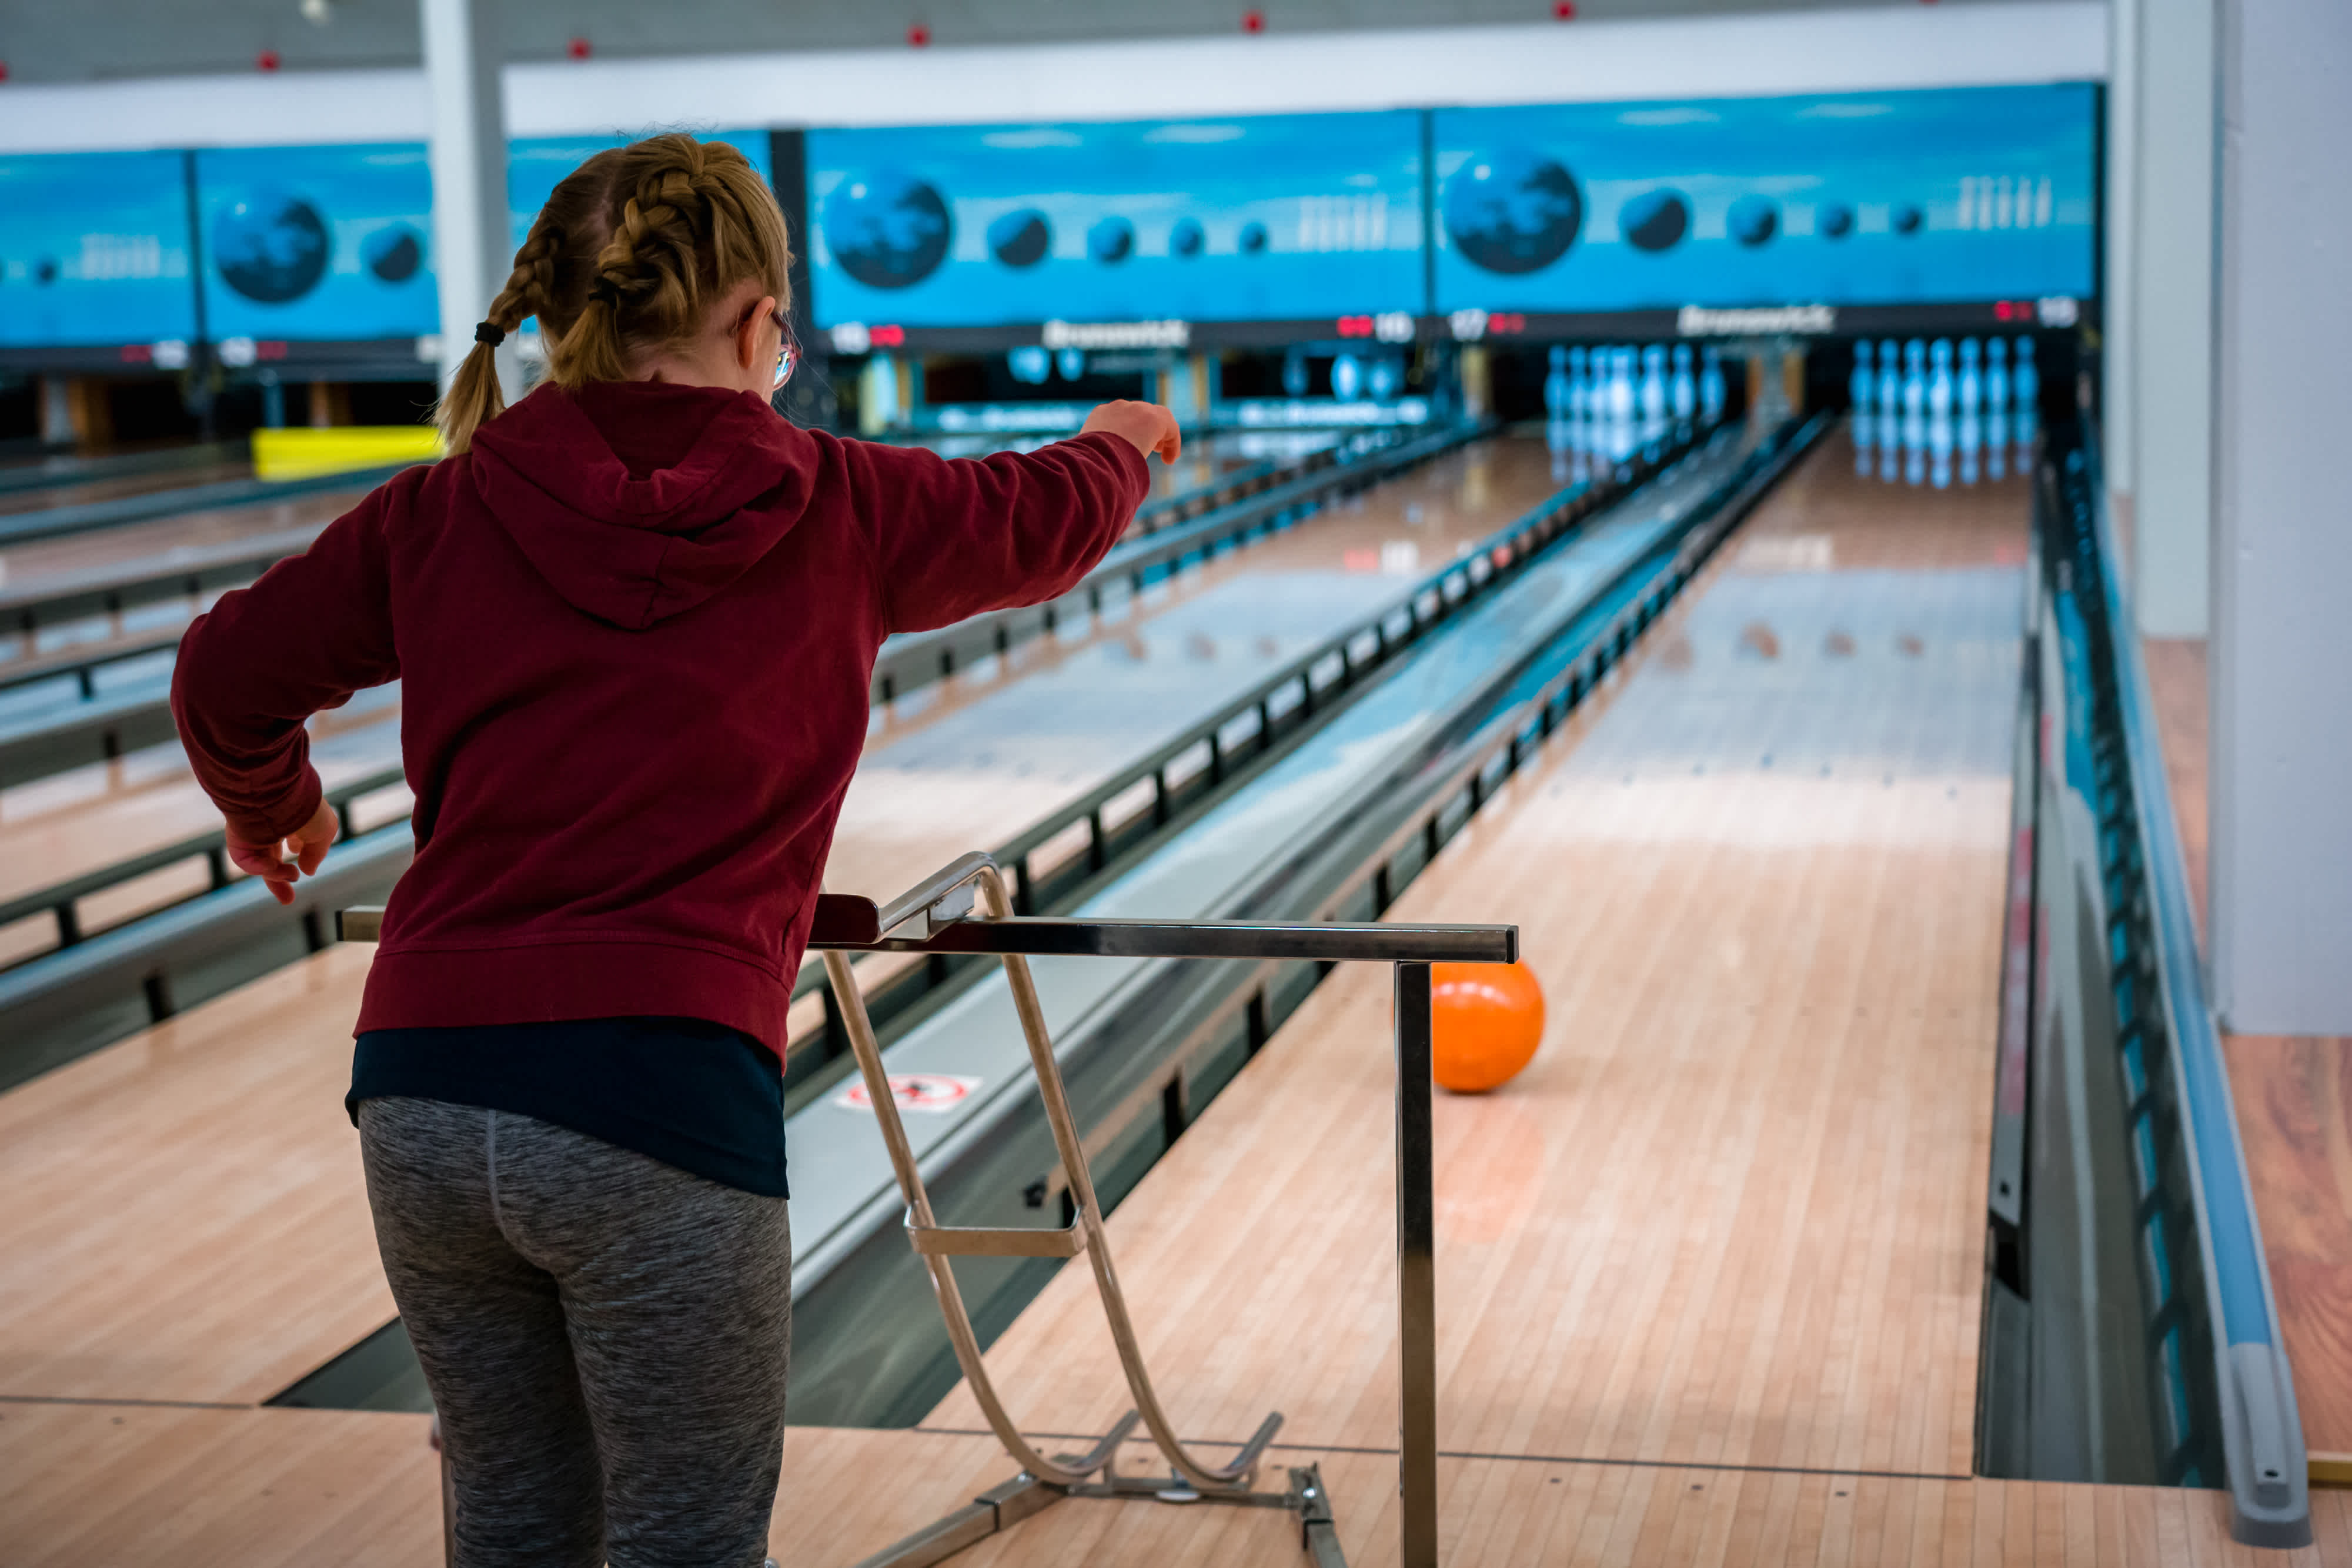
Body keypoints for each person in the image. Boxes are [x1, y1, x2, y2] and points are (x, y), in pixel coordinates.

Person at [169, 133, 1178, 1568]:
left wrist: (273, 804)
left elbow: (224, 673)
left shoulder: (435, 507)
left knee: (513, 1525)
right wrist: (1119, 446)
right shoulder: (844, 502)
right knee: (687, 1542)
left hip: (423, 1098)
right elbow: (1034, 518)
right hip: (658, 1094)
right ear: (765, 325)